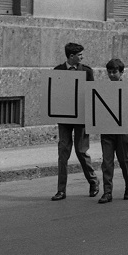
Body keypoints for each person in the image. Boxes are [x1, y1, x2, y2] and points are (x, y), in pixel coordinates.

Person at [51, 42, 99, 201]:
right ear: (71, 56)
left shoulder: (87, 71)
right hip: (64, 118)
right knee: (63, 153)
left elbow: (92, 95)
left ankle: (93, 181)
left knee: (81, 151)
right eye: (79, 55)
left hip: (81, 118)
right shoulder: (58, 71)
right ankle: (61, 190)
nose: (82, 57)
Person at [97, 58, 128, 203]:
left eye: (114, 72)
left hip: (123, 129)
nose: (111, 75)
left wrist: (121, 106)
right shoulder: (103, 88)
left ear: (121, 72)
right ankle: (107, 192)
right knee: (107, 161)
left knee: (125, 160)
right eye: (109, 72)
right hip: (107, 129)